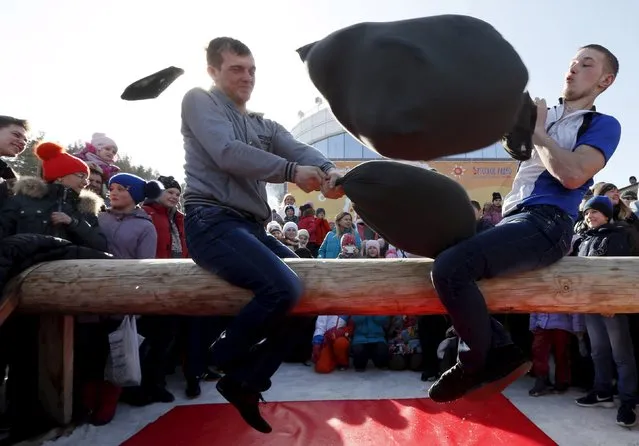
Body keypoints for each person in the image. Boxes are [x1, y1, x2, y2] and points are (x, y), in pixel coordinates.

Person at [429, 44, 621, 403]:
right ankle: (498, 346)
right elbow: (512, 143)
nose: (572, 68)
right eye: (572, 62)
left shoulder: (602, 124)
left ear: (605, 81)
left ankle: (478, 361)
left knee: (450, 268)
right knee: (438, 243)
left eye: (586, 64)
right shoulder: (541, 114)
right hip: (512, 221)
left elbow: (572, 174)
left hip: (549, 224)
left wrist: (538, 131)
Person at [181, 37, 343, 433]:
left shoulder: (264, 124)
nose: (247, 76)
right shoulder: (199, 101)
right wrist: (290, 172)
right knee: (284, 288)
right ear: (213, 72)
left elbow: (299, 148)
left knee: (310, 291)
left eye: (251, 69)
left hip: (250, 228)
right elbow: (227, 152)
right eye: (236, 68)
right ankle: (223, 353)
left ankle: (245, 381)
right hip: (211, 221)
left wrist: (329, 170)